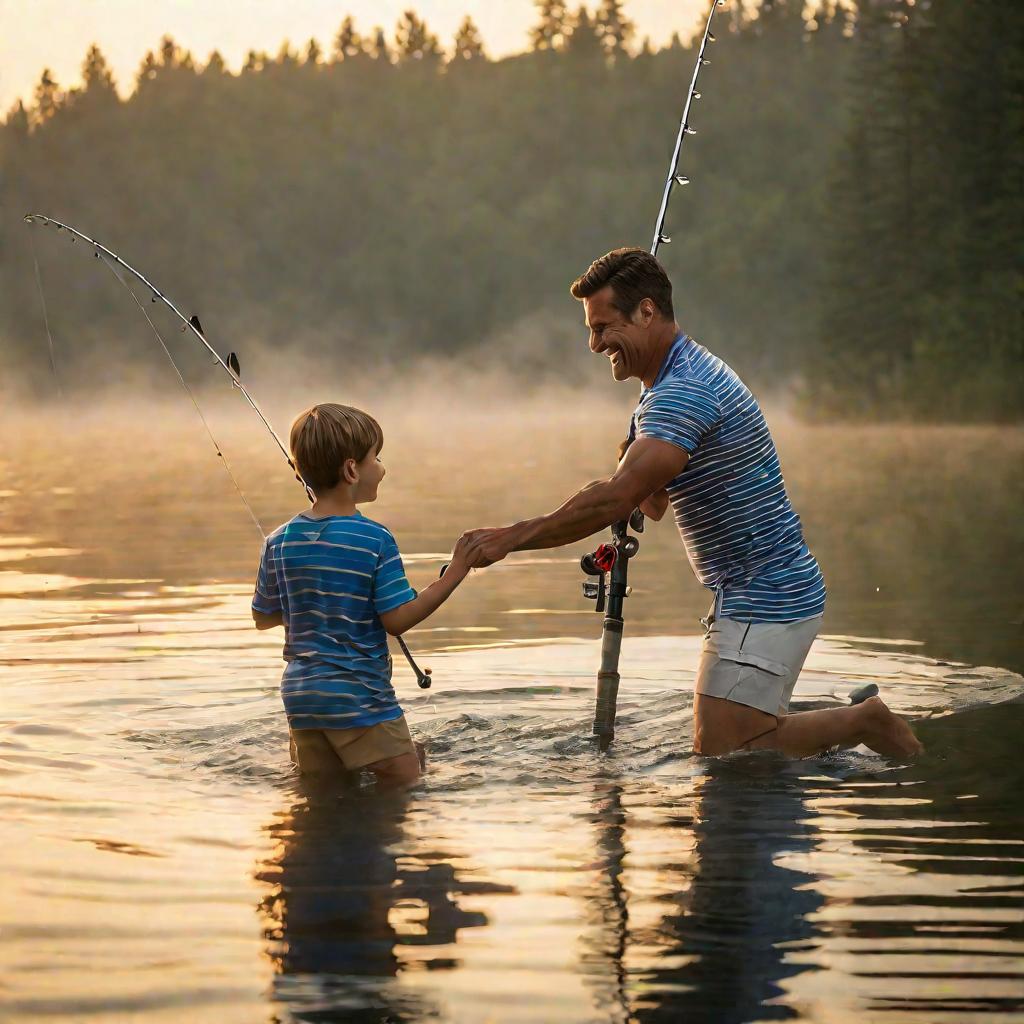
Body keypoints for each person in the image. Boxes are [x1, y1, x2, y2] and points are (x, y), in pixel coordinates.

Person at [461, 248, 921, 759]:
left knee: (727, 749)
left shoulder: (683, 391)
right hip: (758, 585)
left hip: (764, 591)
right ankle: (832, 722)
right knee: (734, 741)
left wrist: (511, 537)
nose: (594, 345)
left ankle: (867, 720)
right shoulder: (669, 383)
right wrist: (637, 461)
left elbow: (613, 502)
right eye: (589, 331)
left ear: (648, 312)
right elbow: (652, 502)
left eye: (604, 327)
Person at [252, 403, 472, 788]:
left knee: (323, 799)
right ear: (352, 470)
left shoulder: (278, 540)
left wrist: (317, 598)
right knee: (407, 784)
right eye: (377, 457)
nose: (382, 468)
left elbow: (264, 617)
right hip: (360, 697)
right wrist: (457, 570)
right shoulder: (375, 539)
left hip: (302, 701)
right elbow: (398, 619)